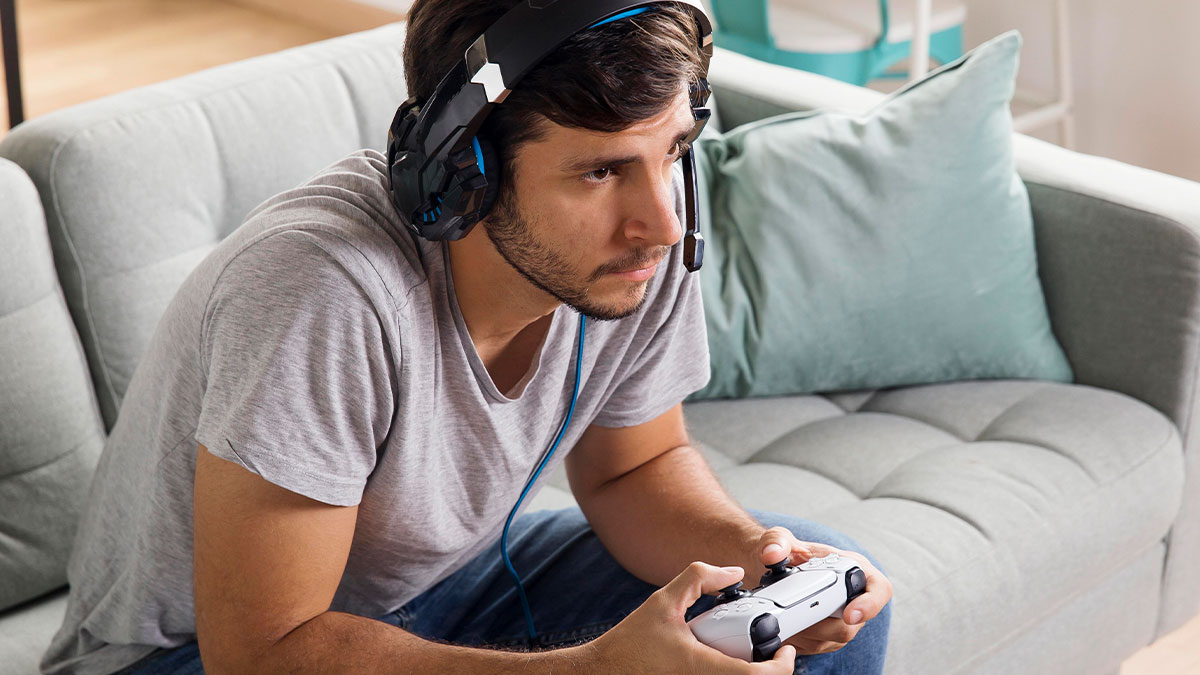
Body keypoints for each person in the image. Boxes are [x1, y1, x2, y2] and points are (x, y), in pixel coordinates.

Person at [41, 1, 892, 673]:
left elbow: (631, 468)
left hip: (454, 587)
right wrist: (594, 669)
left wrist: (759, 560)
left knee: (819, 605)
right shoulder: (321, 291)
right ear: (462, 170)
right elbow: (263, 651)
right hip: (194, 655)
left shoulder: (634, 246)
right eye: (601, 170)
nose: (661, 224)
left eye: (670, 152)